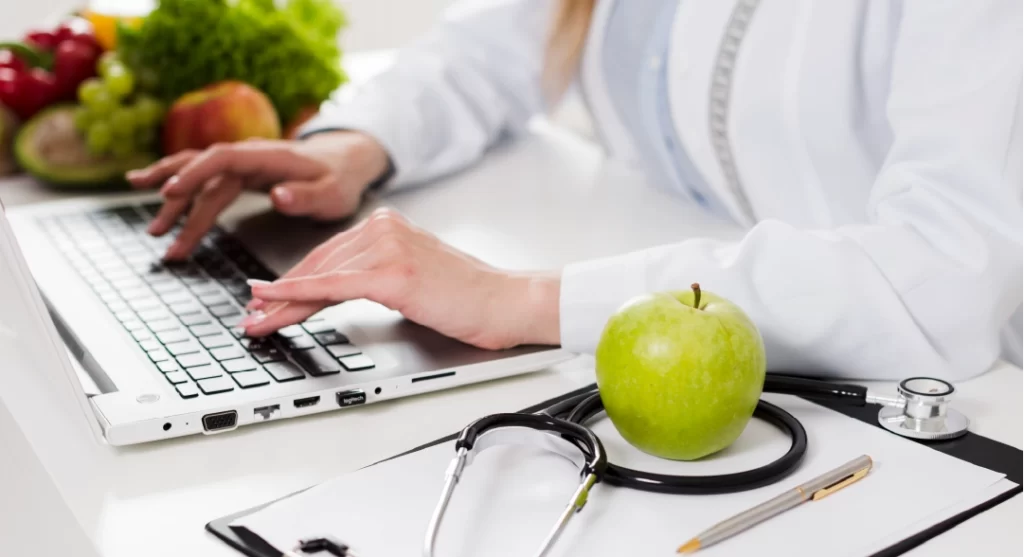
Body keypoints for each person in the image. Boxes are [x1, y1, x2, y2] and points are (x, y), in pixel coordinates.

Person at [126, 0, 1024, 382]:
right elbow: (489, 49)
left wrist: (520, 300)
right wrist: (354, 148)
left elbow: (945, 268)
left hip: (955, 395)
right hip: (735, 329)